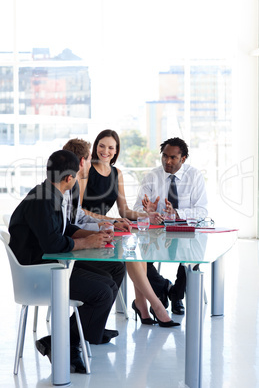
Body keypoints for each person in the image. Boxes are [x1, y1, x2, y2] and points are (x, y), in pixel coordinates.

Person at [8, 149, 125, 374]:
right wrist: (88, 243)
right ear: (69, 178)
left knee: (113, 271)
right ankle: (64, 343)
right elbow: (53, 244)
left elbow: (64, 229)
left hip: (52, 266)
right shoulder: (43, 200)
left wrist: (95, 236)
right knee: (103, 292)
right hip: (40, 275)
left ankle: (80, 334)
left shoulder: (51, 193)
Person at [81, 130, 179, 327]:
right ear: (95, 147)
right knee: (130, 252)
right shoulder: (86, 170)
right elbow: (80, 210)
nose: (105, 151)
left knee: (136, 250)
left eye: (111, 147)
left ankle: (142, 306)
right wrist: (112, 220)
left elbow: (124, 210)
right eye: (102, 146)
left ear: (116, 151)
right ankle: (156, 306)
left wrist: (146, 215)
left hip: (107, 227)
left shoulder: (117, 173)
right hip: (86, 226)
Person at [133, 137, 208, 315]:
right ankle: (165, 287)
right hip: (156, 232)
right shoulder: (152, 176)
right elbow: (137, 208)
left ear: (183, 158)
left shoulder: (195, 176)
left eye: (173, 157)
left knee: (193, 257)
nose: (168, 161)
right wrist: (147, 213)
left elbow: (202, 210)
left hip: (185, 230)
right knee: (138, 260)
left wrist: (178, 214)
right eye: (164, 156)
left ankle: (177, 296)